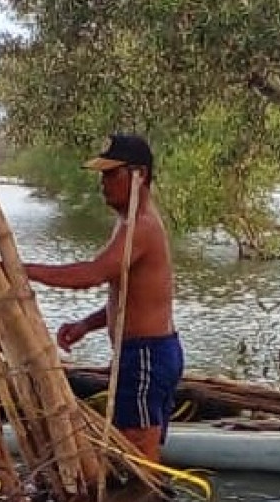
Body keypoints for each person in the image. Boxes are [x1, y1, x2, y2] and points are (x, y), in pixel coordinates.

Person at [23, 134, 183, 463]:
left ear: (139, 175)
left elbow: (92, 274)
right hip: (141, 355)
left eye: (112, 174)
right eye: (102, 175)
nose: (104, 183)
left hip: (146, 358)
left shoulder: (141, 226)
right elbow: (129, 297)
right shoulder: (127, 223)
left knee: (137, 454)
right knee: (135, 450)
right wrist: (86, 324)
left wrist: (21, 269)